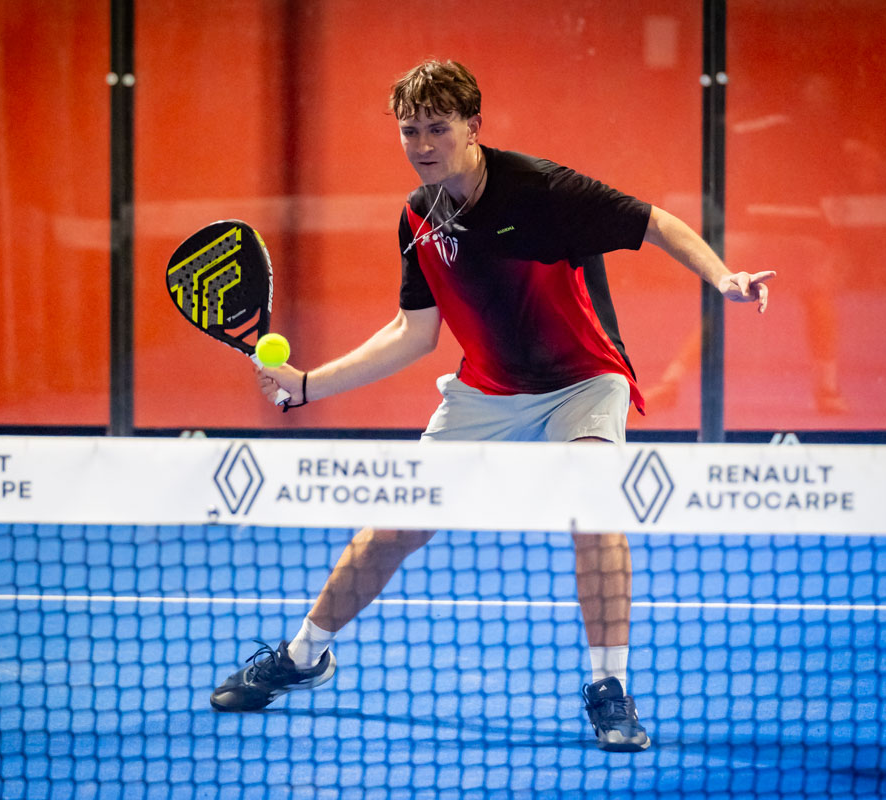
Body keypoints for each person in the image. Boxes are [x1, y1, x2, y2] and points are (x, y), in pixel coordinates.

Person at [209, 59, 774, 753]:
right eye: (410, 131)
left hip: (582, 380)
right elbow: (414, 332)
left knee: (594, 509)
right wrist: (307, 386)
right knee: (396, 524)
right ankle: (303, 656)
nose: (422, 145)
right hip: (488, 387)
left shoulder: (542, 190)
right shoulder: (418, 216)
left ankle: (609, 687)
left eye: (437, 128)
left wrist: (723, 278)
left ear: (474, 125)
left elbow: (654, 222)